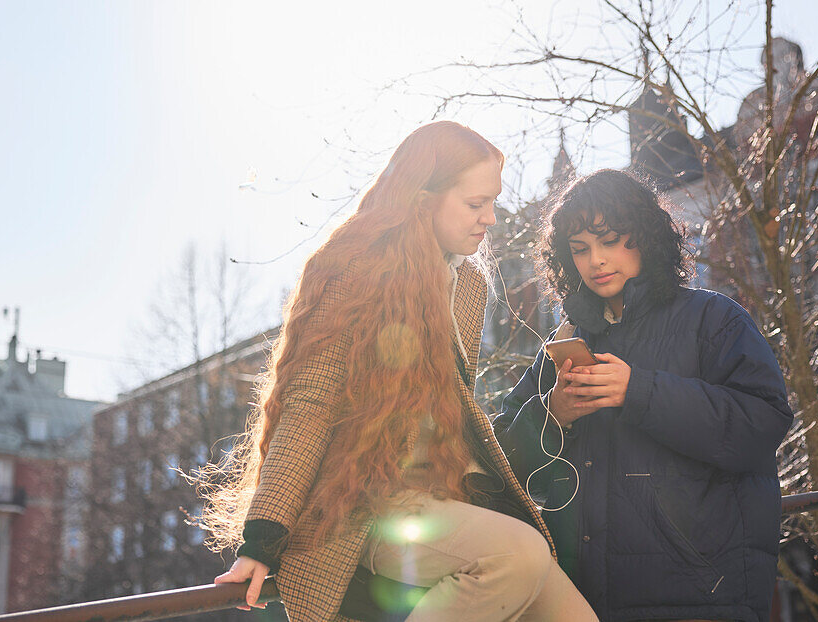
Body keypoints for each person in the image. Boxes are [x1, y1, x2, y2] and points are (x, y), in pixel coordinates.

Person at [203, 122, 597, 622]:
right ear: (423, 198)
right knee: (517, 554)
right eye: (476, 204)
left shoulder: (465, 283)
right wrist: (262, 538)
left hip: (440, 498)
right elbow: (308, 405)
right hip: (361, 506)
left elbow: (456, 413)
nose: (490, 218)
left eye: (492, 202)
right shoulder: (356, 269)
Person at [493, 169, 793, 622]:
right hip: (581, 600)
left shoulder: (714, 318)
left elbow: (762, 423)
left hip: (699, 598)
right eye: (580, 249)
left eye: (610, 240)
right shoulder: (565, 340)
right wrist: (552, 415)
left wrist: (640, 392)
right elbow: (496, 454)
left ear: (646, 236)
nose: (595, 260)